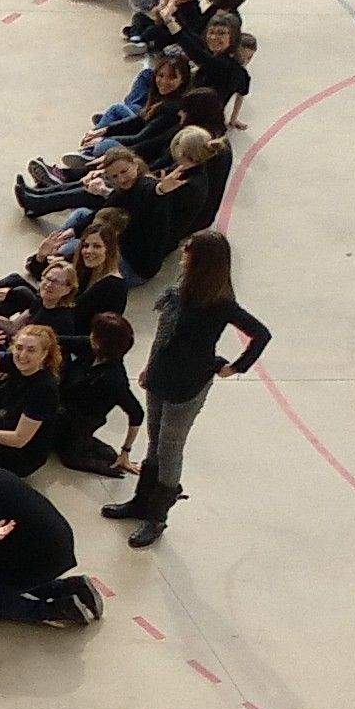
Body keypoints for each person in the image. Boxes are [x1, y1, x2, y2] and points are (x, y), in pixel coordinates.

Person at [107, 230, 267, 544]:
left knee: (170, 446)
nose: (183, 258)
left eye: (188, 253)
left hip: (189, 383)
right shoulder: (179, 292)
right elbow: (162, 339)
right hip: (161, 376)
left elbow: (261, 335)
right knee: (155, 441)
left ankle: (157, 516)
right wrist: (149, 368)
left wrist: (235, 367)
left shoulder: (221, 304)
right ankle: (142, 502)